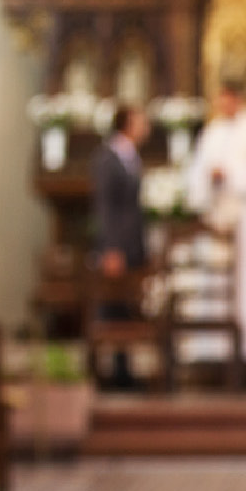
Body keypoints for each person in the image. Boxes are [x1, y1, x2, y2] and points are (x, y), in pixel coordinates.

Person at [188, 81, 246, 367]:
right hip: (218, 217)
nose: (222, 106)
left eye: (226, 100)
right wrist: (208, 180)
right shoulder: (213, 132)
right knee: (213, 283)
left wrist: (231, 174)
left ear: (238, 99)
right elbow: (197, 172)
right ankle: (212, 348)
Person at [92, 105, 151, 387]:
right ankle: (113, 373)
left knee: (127, 306)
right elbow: (105, 208)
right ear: (127, 123)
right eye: (141, 120)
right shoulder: (108, 158)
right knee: (113, 306)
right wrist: (111, 249)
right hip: (117, 246)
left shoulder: (130, 155)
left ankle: (125, 369)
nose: (146, 126)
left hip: (133, 243)